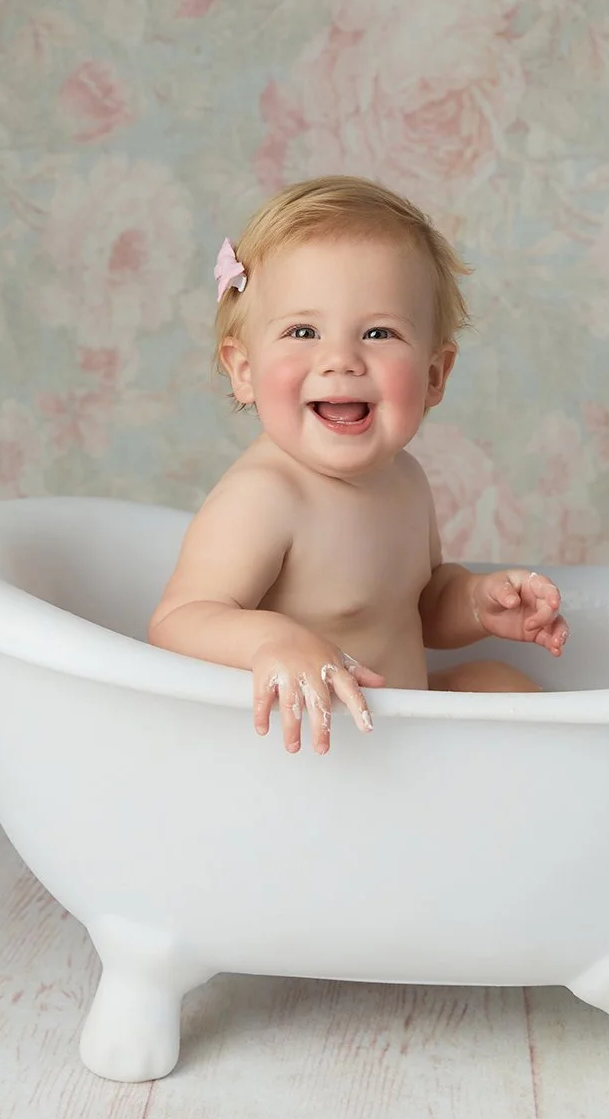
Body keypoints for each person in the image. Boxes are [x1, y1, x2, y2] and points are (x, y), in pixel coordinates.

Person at [147, 175, 568, 753]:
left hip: (394, 727)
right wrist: (277, 642)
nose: (340, 359)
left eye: (378, 332)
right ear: (243, 370)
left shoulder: (405, 479)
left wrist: (475, 602)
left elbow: (416, 608)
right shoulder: (265, 497)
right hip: (311, 743)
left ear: (433, 376)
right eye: (303, 331)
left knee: (496, 683)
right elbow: (180, 620)